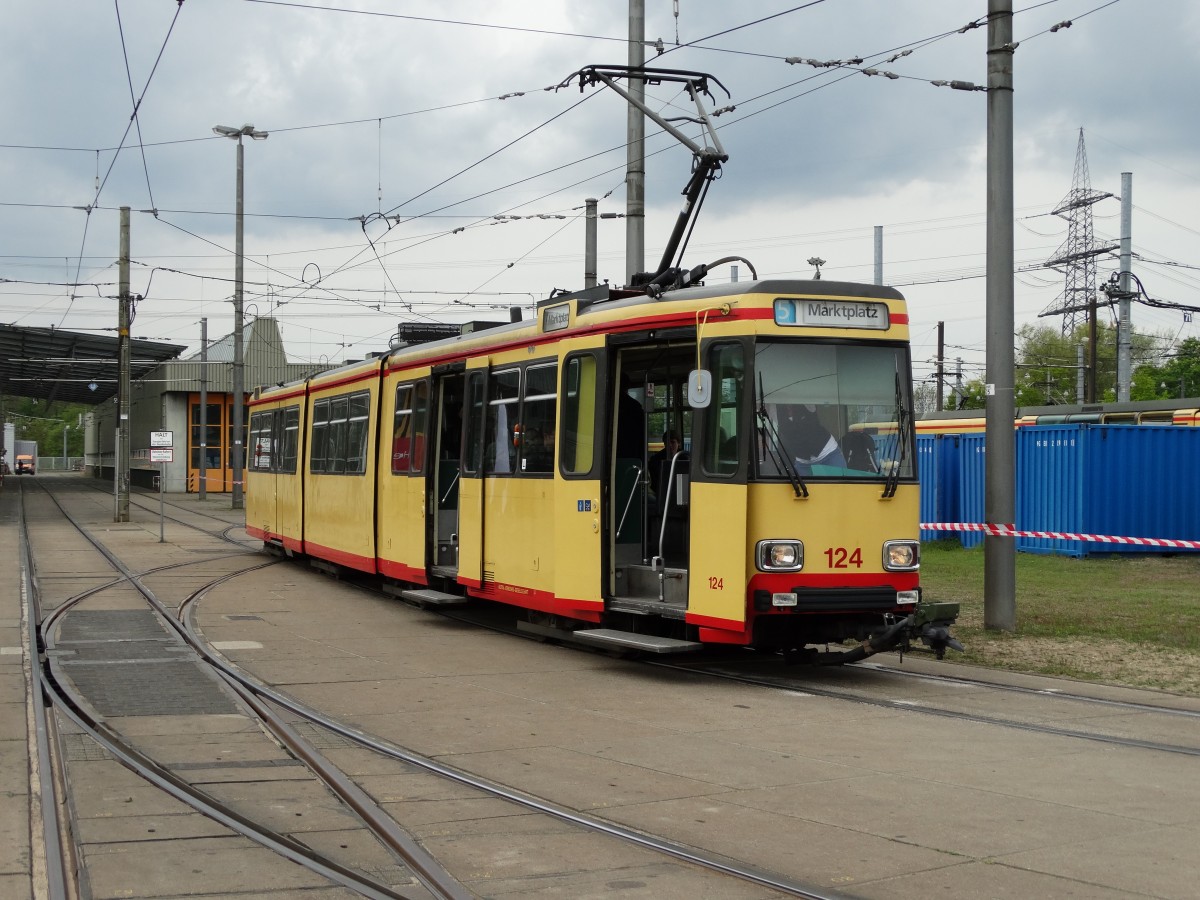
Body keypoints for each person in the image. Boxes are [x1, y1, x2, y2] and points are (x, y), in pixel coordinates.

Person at [779, 404, 845, 472]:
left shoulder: (807, 405)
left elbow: (808, 397)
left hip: (829, 454)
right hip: (803, 463)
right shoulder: (776, 410)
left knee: (839, 478)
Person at [648, 429, 684, 499]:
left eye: (672, 442)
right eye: (667, 442)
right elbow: (655, 483)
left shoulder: (685, 457)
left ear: (679, 443)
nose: (670, 445)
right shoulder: (656, 459)